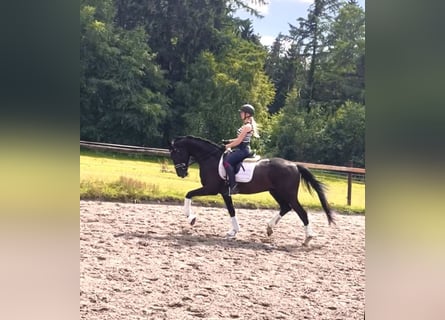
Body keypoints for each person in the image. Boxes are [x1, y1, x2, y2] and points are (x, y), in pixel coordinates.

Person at [223, 104, 259, 195]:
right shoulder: (246, 125)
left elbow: (239, 141)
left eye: (242, 112)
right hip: (241, 149)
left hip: (243, 150)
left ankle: (233, 186)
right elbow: (239, 138)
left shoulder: (247, 126)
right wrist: (228, 141)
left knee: (226, 162)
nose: (241, 114)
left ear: (247, 114)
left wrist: (226, 147)